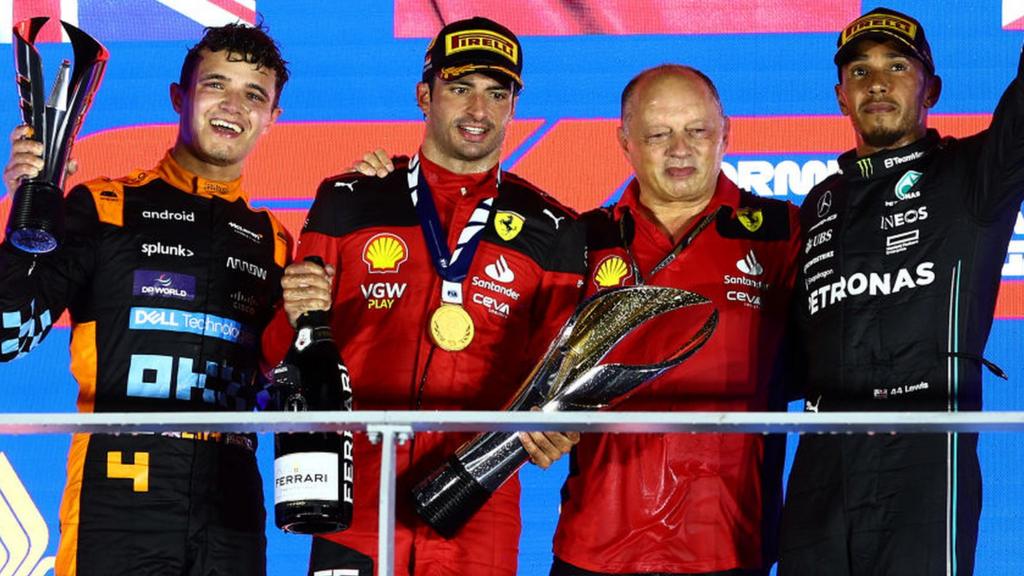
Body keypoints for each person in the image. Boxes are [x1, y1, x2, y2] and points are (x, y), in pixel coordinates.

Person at [260, 16, 586, 576]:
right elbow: (278, 358)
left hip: (475, 515)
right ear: (424, 94)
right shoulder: (350, 199)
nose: (478, 110)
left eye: (496, 92)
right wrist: (289, 317)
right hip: (354, 511)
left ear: (514, 105)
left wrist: (561, 425)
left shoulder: (554, 229)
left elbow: (563, 386)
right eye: (460, 88)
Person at [0, 23, 289, 575]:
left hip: (231, 506)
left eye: (254, 94)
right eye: (217, 85)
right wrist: (27, 218)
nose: (234, 106)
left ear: (272, 117)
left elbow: (272, 392)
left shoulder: (274, 240)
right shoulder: (104, 206)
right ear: (179, 97)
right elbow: (6, 332)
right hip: (120, 493)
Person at [779, 7, 1024, 575]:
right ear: (841, 97)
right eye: (860, 72)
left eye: (897, 66)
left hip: (925, 460)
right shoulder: (820, 203)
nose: (878, 82)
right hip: (822, 467)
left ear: (931, 88)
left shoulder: (973, 174)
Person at [546, 66, 800, 576]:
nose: (680, 149)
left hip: (727, 540)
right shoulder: (583, 237)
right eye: (658, 134)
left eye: (698, 130)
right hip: (595, 543)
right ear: (625, 141)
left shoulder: (781, 232)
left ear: (726, 131)